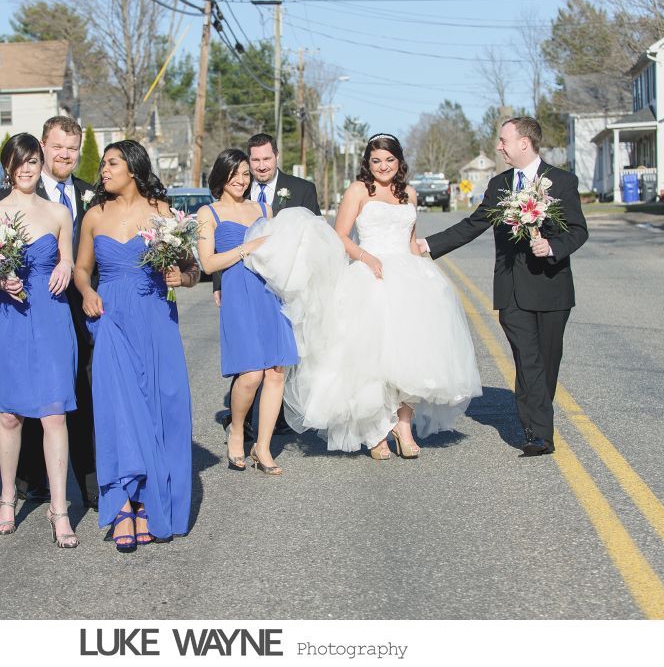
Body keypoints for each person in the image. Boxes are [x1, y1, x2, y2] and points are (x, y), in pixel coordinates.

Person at [244, 133, 482, 457]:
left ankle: (405, 426)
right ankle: (376, 433)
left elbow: (411, 240)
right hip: (369, 274)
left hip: (408, 277)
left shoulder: (408, 193)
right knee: (371, 361)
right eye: (376, 161)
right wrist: (366, 257)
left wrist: (424, 273)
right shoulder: (358, 190)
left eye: (389, 160)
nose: (383, 166)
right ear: (367, 164)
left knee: (408, 357)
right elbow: (339, 235)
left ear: (399, 162)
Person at [419, 117, 588, 456]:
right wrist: (428, 245)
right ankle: (538, 433)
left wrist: (553, 248)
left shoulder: (562, 182)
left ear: (524, 143)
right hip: (512, 289)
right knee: (528, 359)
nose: (499, 147)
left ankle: (536, 417)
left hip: (553, 287)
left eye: (503, 140)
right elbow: (472, 225)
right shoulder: (499, 185)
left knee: (547, 361)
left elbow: (577, 230)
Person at [74, 139, 199, 551]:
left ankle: (153, 501)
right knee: (118, 409)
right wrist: (86, 292)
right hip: (110, 318)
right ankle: (123, 504)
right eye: (104, 164)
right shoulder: (94, 216)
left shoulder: (163, 214)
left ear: (133, 167)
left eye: (112, 163)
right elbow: (81, 269)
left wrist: (184, 278)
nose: (104, 170)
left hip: (155, 318)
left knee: (162, 405)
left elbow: (191, 267)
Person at [0, 116, 97, 511]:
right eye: (21, 162)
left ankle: (69, 501)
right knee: (12, 413)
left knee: (58, 409)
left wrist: (65, 265)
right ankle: (14, 495)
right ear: (9, 166)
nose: (28, 168)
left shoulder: (64, 209)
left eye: (32, 162)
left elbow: (72, 257)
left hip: (54, 314)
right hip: (10, 317)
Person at [196, 149, 298, 475]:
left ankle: (263, 448)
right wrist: (244, 249)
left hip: (269, 291)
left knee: (276, 372)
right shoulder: (207, 213)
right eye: (234, 174)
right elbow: (208, 263)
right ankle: (237, 428)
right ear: (220, 176)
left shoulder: (264, 208)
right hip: (238, 291)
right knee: (251, 373)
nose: (241, 180)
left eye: (245, 174)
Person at [212, 133, 321, 437]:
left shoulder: (301, 189)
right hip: (239, 284)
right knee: (249, 355)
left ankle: (278, 418)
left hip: (285, 284)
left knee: (279, 355)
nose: (260, 166)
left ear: (276, 157)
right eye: (255, 160)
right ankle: (241, 422)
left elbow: (314, 237)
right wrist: (218, 284)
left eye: (266, 159)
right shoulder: (236, 191)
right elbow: (223, 242)